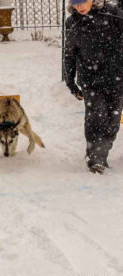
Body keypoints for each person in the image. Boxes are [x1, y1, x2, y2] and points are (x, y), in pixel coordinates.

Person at [64, 0, 123, 174]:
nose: (79, 7)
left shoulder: (113, 15)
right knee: (96, 117)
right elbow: (69, 53)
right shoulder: (73, 22)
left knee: (113, 121)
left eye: (83, 2)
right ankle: (96, 158)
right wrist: (70, 81)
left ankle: (101, 152)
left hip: (117, 78)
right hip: (90, 80)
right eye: (75, 3)